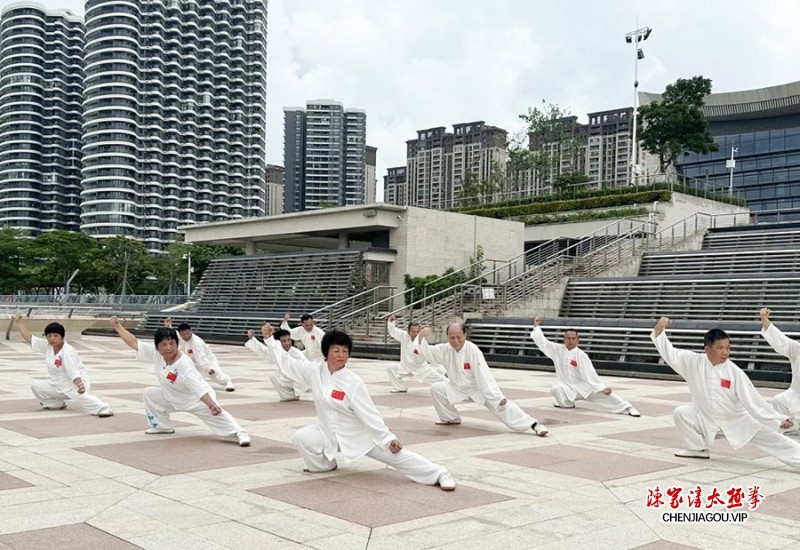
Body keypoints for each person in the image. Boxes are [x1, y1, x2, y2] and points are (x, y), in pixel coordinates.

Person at [257, 323, 456, 491]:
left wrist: (388, 438)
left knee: (397, 457)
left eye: (345, 351)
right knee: (301, 437)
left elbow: (370, 414)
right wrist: (269, 340)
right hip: (328, 432)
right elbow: (286, 363)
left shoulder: (353, 382)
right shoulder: (314, 370)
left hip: (358, 435)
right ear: (326, 352)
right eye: (336, 350)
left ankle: (439, 473)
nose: (341, 355)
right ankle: (324, 466)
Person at [651, 316, 800, 468]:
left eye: (728, 348)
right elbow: (669, 352)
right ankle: (697, 449)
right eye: (720, 348)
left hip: (736, 419)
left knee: (775, 440)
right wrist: (659, 330)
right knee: (682, 412)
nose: (725, 352)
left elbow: (754, 402)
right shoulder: (692, 362)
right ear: (707, 349)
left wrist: (778, 419)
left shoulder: (734, 372)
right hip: (707, 418)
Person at [110, 316, 250, 446]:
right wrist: (117, 326)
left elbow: (197, 388)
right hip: (172, 397)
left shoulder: (184, 364)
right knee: (149, 394)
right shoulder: (156, 354)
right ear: (157, 347)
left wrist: (211, 404)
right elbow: (134, 342)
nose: (169, 348)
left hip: (196, 400)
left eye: (172, 343)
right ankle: (162, 426)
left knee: (220, 416)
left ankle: (240, 432)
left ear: (177, 345)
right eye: (164, 344)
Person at [418, 323, 549, 436]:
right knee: (437, 389)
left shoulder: (473, 350)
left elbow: (484, 376)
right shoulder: (444, 349)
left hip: (477, 388)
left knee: (502, 406)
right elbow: (427, 353)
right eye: (452, 338)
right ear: (448, 337)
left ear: (465, 335)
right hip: (457, 387)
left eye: (459, 337)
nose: (456, 341)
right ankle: (450, 418)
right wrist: (422, 336)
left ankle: (534, 425)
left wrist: (497, 397)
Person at [530, 316, 640, 417]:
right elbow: (543, 343)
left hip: (584, 388)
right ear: (564, 339)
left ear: (578, 340)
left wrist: (601, 387)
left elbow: (590, 373)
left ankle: (627, 408)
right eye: (568, 338)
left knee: (605, 396)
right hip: (567, 387)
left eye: (573, 338)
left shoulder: (581, 355)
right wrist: (536, 326)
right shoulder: (557, 350)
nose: (570, 341)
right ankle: (566, 403)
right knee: (556, 389)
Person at [12, 313, 113, 417]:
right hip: (57, 384)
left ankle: (104, 408)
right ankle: (54, 404)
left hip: (74, 384)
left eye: (56, 336)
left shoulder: (68, 351)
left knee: (83, 398)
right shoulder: (48, 347)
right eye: (49, 336)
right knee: (36, 386)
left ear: (62, 336)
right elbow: (29, 338)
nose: (52, 339)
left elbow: (73, 371)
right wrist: (19, 322)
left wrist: (80, 385)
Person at [759, 307, 800, 435]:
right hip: (797, 396)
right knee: (779, 400)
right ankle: (793, 426)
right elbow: (780, 341)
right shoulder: (797, 349)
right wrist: (764, 319)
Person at [164, 318, 235, 392]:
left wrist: (208, 369)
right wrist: (167, 326)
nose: (185, 336)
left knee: (217, 376)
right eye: (183, 335)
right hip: (191, 362)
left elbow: (201, 358)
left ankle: (228, 383)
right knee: (176, 372)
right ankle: (171, 383)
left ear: (191, 331)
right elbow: (173, 333)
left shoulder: (197, 343)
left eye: (187, 334)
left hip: (207, 362)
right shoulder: (180, 337)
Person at [385, 315, 447, 393]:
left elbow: (429, 356)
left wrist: (441, 370)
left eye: (417, 332)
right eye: (413, 332)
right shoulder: (404, 336)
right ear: (408, 332)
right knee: (390, 368)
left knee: (441, 381)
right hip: (405, 367)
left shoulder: (422, 341)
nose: (415, 334)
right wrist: (391, 321)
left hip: (421, 369)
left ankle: (456, 390)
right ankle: (400, 387)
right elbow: (393, 331)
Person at [245, 326, 309, 401]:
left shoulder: (296, 353)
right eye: (284, 341)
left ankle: (293, 394)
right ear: (278, 342)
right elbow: (263, 351)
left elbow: (307, 367)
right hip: (289, 381)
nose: (287, 343)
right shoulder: (277, 352)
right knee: (275, 377)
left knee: (280, 376)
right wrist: (252, 339)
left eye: (289, 340)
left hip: (301, 380)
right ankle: (289, 395)